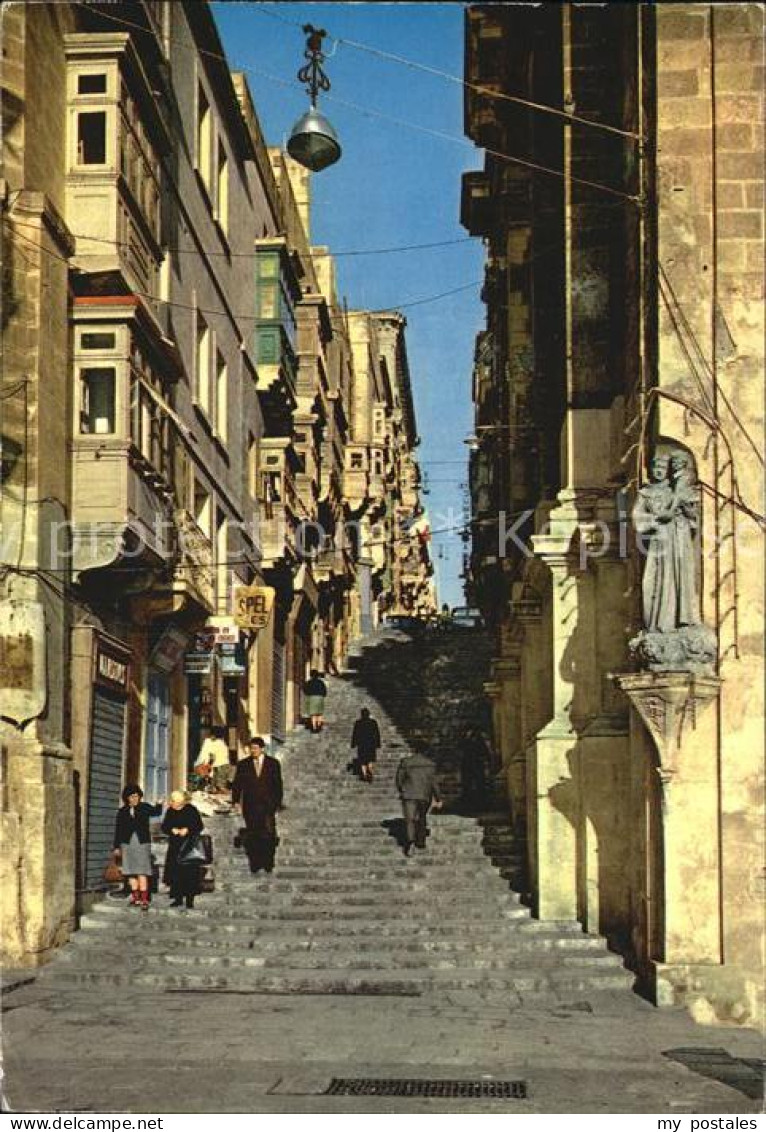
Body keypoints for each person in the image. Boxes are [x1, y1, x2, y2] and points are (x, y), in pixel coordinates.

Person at [231, 736, 284, 874]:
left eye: (255, 748)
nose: (253, 751)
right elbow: (237, 784)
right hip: (251, 806)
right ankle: (255, 863)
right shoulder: (243, 764)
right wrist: (236, 801)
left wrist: (277, 803)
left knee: (268, 834)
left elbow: (278, 784)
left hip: (267, 805)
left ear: (262, 749)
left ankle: (268, 862)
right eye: (251, 748)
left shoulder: (273, 763)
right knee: (254, 835)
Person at [113, 785, 163, 910]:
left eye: (136, 796)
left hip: (142, 843)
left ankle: (144, 899)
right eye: (132, 796)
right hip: (127, 844)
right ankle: (136, 898)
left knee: (142, 871)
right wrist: (116, 846)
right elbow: (118, 830)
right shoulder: (122, 811)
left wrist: (159, 804)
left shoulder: (144, 807)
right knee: (130, 872)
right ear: (127, 798)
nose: (134, 799)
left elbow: (156, 812)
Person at [395, 742, 442, 856]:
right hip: (424, 795)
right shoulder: (430, 764)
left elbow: (399, 779)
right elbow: (434, 783)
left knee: (410, 819)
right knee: (421, 818)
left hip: (409, 794)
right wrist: (438, 798)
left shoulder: (406, 762)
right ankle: (420, 842)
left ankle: (410, 841)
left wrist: (402, 789)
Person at [162, 790, 205, 909]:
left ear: (181, 802)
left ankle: (190, 900)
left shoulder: (191, 810)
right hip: (175, 846)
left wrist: (187, 829)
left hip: (189, 847)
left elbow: (199, 825)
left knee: (189, 874)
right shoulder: (170, 811)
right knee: (175, 873)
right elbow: (164, 826)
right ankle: (178, 898)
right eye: (172, 801)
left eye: (175, 802)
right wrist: (172, 830)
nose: (172, 803)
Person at [194, 726, 232, 793]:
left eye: (211, 735)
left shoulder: (213, 742)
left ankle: (229, 794)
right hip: (223, 766)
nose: (210, 737)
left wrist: (205, 765)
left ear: (215, 735)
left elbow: (210, 757)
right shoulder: (222, 743)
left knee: (219, 786)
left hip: (220, 766)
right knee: (217, 785)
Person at [350, 707, 381, 782]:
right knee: (370, 759)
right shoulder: (373, 722)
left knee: (362, 761)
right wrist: (378, 743)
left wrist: (353, 743)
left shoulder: (358, 723)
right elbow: (377, 734)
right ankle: (370, 770)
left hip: (362, 744)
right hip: (371, 744)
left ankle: (364, 774)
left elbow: (355, 734)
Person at [461, 727, 489, 807]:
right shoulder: (466, 740)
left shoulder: (479, 740)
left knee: (480, 783)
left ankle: (480, 801)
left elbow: (485, 751)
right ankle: (468, 801)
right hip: (468, 764)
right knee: (467, 783)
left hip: (477, 764)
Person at [303, 669, 328, 734]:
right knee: (319, 713)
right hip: (320, 698)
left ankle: (314, 727)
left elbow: (305, 690)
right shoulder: (321, 682)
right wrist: (322, 696)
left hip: (312, 698)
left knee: (313, 714)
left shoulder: (309, 682)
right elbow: (324, 691)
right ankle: (319, 726)